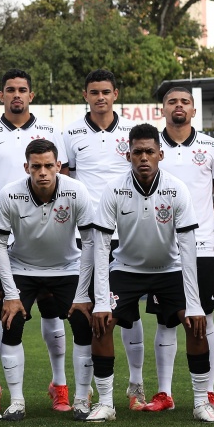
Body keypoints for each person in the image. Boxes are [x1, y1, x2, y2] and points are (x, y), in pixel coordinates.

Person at [86, 123, 214, 423]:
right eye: (137, 152)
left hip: (169, 270)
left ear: (161, 154)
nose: (143, 157)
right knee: (102, 325)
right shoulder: (114, 189)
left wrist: (194, 303)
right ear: (128, 155)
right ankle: (106, 403)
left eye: (149, 152)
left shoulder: (176, 189)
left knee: (195, 323)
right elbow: (101, 246)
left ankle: (200, 403)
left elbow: (187, 249)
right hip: (127, 269)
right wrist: (102, 300)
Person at [0, 69, 72, 412]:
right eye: (10, 90)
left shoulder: (51, 132)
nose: (16, 95)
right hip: (6, 242)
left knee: (54, 319)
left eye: (22, 90)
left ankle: (59, 384)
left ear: (32, 95)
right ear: (0, 95)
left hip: (50, 241)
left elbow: (63, 184)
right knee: (3, 319)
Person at [0, 139, 96, 421]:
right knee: (11, 324)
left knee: (83, 323)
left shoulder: (76, 191)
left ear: (59, 166)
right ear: (26, 167)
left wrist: (83, 292)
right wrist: (10, 294)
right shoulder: (9, 195)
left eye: (49, 165)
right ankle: (17, 401)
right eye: (36, 167)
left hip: (67, 269)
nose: (43, 172)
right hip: (23, 268)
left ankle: (82, 398)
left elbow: (89, 242)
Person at [62, 68, 149, 409]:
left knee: (128, 313)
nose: (100, 97)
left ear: (116, 94)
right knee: (86, 313)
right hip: (86, 235)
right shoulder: (69, 133)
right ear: (85, 95)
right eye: (93, 91)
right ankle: (83, 394)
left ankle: (137, 385)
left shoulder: (130, 133)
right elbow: (65, 182)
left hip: (128, 233)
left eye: (106, 91)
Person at [150, 87, 214, 412]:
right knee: (165, 320)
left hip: (202, 247)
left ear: (194, 110)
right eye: (172, 102)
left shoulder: (212, 147)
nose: (178, 106)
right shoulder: (151, 148)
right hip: (161, 248)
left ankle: (209, 391)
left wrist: (199, 220)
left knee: (206, 318)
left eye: (184, 102)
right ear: (164, 109)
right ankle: (164, 393)